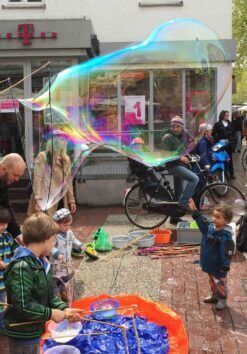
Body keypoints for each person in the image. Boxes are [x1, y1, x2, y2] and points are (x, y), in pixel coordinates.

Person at [3, 212, 81, 354]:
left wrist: (64, 309)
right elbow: (23, 306)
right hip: (22, 332)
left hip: (35, 328)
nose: (53, 245)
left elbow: (48, 295)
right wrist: (50, 313)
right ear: (45, 239)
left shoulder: (42, 263)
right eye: (53, 241)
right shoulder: (21, 267)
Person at [188, 199, 235, 310]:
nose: (214, 219)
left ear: (226, 220)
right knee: (211, 280)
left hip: (219, 266)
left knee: (221, 282)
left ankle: (222, 299)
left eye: (218, 217)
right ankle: (214, 296)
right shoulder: (209, 227)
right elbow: (202, 221)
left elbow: (227, 252)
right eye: (214, 216)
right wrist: (195, 211)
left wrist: (225, 265)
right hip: (209, 263)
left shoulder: (226, 235)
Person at [27, 130, 77, 217]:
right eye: (61, 138)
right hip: (45, 199)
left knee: (59, 226)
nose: (64, 141)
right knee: (45, 227)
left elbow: (68, 181)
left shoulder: (66, 159)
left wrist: (71, 200)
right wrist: (38, 199)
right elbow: (37, 179)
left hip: (61, 200)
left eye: (65, 139)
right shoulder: (43, 156)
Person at [162, 116, 199, 220]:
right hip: (173, 165)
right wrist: (180, 158)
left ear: (182, 127)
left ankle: (174, 217)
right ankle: (183, 204)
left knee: (178, 190)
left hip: (180, 165)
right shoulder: (167, 137)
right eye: (173, 126)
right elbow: (167, 155)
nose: (175, 129)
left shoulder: (183, 135)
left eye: (178, 126)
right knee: (194, 179)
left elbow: (191, 142)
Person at [51, 208, 86, 302]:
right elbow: (50, 247)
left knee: (65, 278)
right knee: (55, 280)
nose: (67, 227)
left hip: (66, 261)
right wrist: (57, 254)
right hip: (56, 264)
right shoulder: (53, 235)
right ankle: (55, 297)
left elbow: (74, 240)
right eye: (65, 225)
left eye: (69, 225)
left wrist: (80, 246)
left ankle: (63, 292)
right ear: (56, 224)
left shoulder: (69, 233)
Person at [0, 153, 26, 242]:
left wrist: (17, 234)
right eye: (15, 175)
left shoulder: (3, 182)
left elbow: (7, 207)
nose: (17, 179)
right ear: (3, 168)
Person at [212, 110, 236, 179]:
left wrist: (233, 142)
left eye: (228, 115)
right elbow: (213, 134)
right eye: (226, 115)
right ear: (222, 115)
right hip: (220, 144)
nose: (227, 116)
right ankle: (224, 173)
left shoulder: (230, 124)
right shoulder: (217, 124)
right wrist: (219, 138)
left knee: (229, 158)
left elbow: (234, 134)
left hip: (228, 143)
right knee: (221, 158)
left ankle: (231, 173)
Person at [0, 208, 13, 329]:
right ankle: (2, 324)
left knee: (5, 299)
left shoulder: (7, 237)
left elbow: (13, 250)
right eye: (1, 224)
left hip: (6, 276)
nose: (4, 226)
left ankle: (4, 319)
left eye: (5, 224)